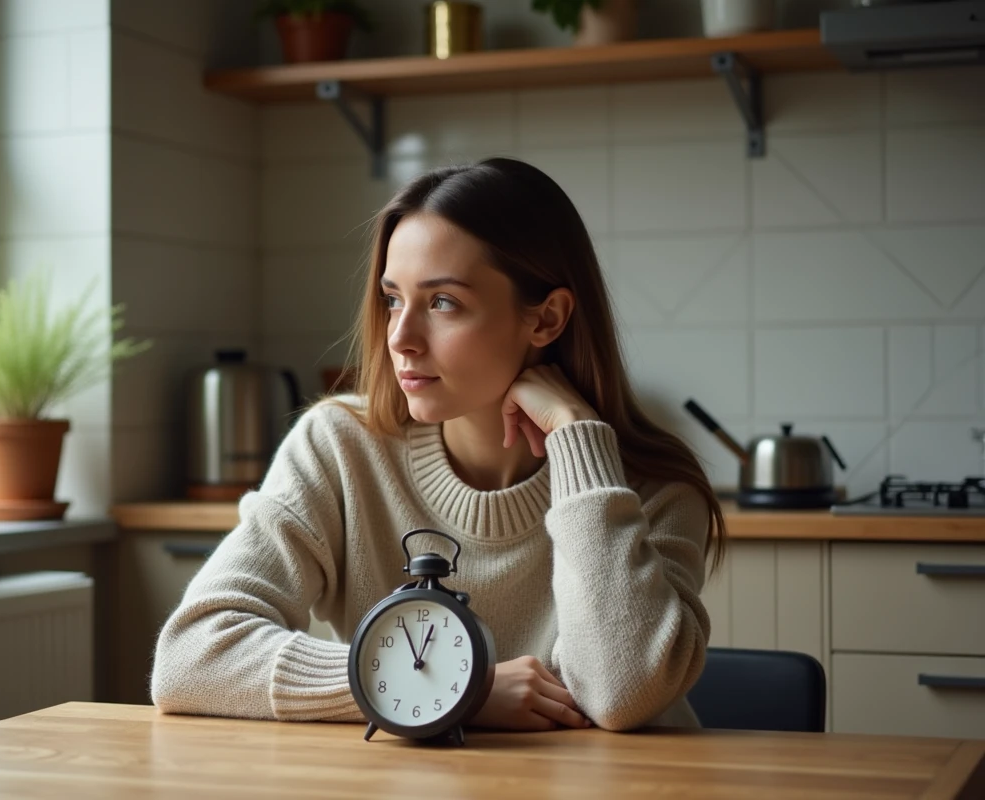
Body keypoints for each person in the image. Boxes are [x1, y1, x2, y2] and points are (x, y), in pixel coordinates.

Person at [151, 157, 727, 732]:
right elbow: (189, 656)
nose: (400, 339)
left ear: (546, 319)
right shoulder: (341, 447)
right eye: (393, 298)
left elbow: (622, 693)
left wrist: (577, 440)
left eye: (443, 302)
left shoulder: (652, 487)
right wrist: (450, 688)